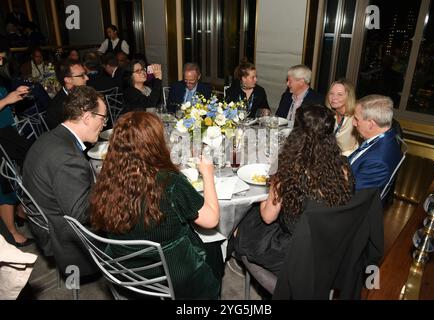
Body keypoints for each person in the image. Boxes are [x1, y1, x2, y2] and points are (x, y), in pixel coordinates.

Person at [90, 112, 222, 299]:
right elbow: (212, 220)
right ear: (155, 144)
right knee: (215, 246)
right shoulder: (170, 183)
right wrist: (208, 174)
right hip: (171, 275)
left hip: (126, 271)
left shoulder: (108, 178)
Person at [234, 104, 354, 275]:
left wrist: (269, 189)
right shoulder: (343, 166)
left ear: (296, 133)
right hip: (332, 244)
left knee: (241, 222)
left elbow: (268, 217)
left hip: (297, 252)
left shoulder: (289, 171)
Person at [22, 86, 107, 276]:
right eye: (102, 118)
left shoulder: (51, 137)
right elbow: (81, 214)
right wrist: (108, 184)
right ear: (87, 118)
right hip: (63, 237)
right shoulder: (69, 159)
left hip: (45, 221)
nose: (104, 124)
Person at [0, 85, 33, 247]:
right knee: (4, 186)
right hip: (2, 137)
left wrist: (14, 93)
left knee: (16, 176)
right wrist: (6, 100)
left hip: (8, 133)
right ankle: (11, 234)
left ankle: (20, 211)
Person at [349, 95, 402, 193]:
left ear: (370, 124)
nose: (353, 123)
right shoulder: (385, 136)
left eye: (356, 119)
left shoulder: (377, 162)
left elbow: (354, 197)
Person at [45, 59, 89, 129]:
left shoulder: (88, 93)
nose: (87, 78)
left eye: (85, 74)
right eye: (82, 75)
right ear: (68, 80)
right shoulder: (56, 109)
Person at [325, 79, 359, 156]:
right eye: (331, 93)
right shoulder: (330, 115)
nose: (334, 98)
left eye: (339, 94)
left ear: (349, 97)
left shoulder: (356, 118)